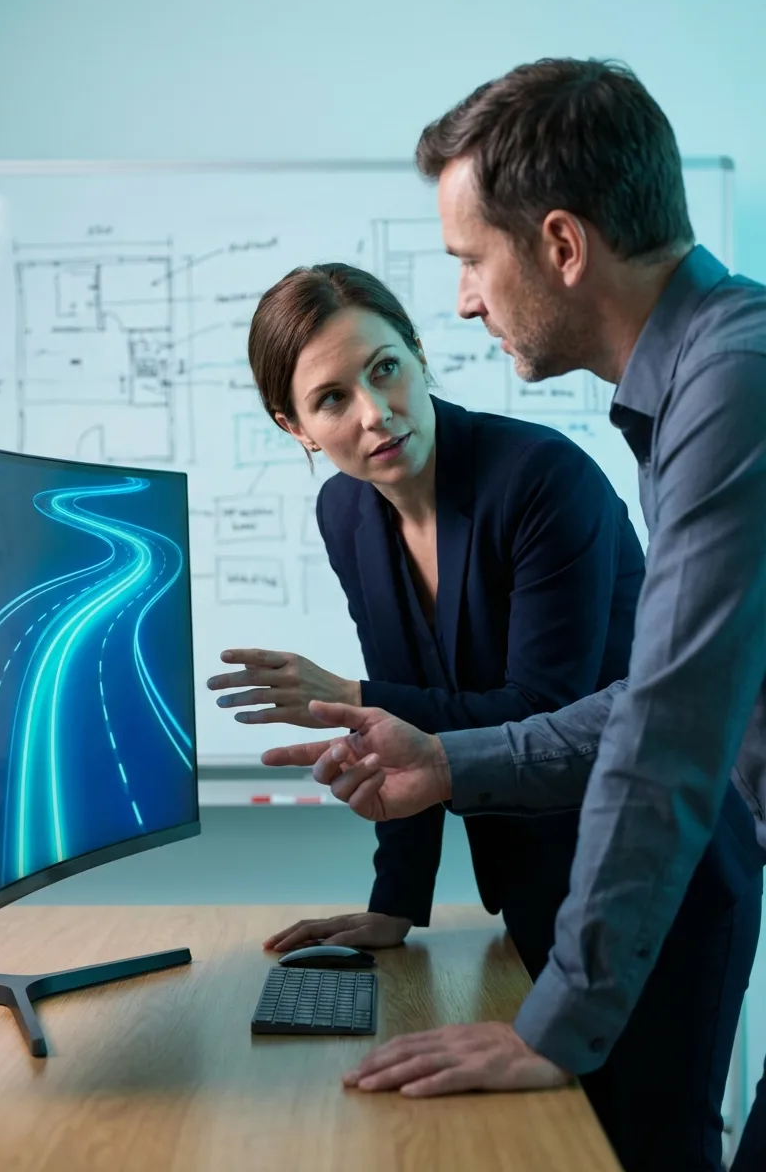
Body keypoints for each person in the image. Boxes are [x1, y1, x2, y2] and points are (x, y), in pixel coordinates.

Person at [262, 58, 766, 1172]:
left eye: (468, 259)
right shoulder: (700, 383)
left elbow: (665, 734)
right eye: (331, 399)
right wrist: (439, 772)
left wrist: (555, 1024)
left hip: (664, 891)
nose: (464, 299)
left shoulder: (729, 388)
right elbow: (652, 704)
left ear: (561, 245)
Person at [208, 262, 644, 970]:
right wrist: (396, 904)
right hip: (531, 883)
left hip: (644, 868)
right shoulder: (344, 511)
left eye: (385, 368)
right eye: (332, 398)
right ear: (297, 428)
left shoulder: (542, 479)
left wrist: (350, 696)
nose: (375, 413)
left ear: (417, 352)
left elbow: (543, 713)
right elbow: (400, 733)